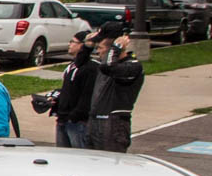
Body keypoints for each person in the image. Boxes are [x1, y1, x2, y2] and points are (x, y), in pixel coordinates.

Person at [88, 24, 145, 152]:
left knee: (111, 160)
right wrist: (87, 45)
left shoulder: (132, 66)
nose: (97, 52)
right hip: (95, 121)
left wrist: (116, 47)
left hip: (114, 123)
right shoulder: (102, 64)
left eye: (100, 48)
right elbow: (82, 62)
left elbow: (108, 67)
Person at [52, 30, 96, 148]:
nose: (69, 44)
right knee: (62, 156)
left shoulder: (91, 68)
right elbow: (68, 90)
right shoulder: (71, 66)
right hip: (62, 119)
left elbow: (87, 95)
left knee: (78, 155)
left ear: (82, 45)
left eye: (73, 42)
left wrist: (74, 116)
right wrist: (56, 99)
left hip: (77, 122)